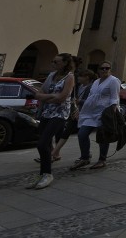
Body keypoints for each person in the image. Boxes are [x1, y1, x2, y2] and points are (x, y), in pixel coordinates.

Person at [28, 53, 76, 190]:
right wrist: (50, 96)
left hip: (60, 114)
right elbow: (39, 93)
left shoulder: (70, 77)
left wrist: (45, 97)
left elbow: (61, 97)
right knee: (46, 144)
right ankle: (42, 174)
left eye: (56, 62)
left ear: (65, 63)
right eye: (52, 61)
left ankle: (47, 174)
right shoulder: (52, 75)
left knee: (41, 144)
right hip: (46, 113)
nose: (53, 64)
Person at [71, 61, 120, 171]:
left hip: (104, 112)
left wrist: (112, 112)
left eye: (107, 68)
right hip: (91, 112)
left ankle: (102, 160)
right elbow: (90, 96)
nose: (104, 70)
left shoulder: (113, 81)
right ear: (98, 70)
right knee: (82, 134)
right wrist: (80, 110)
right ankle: (85, 157)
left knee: (103, 136)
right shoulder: (96, 81)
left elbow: (114, 97)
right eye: (102, 68)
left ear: (110, 69)